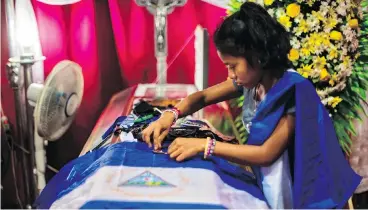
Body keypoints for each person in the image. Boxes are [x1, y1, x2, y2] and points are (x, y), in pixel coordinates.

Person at [142, 2, 361, 209]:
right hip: (268, 178)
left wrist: (204, 145)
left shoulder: (293, 90)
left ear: (257, 57)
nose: (230, 75)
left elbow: (267, 153)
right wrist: (170, 115)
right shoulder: (251, 81)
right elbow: (200, 98)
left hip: (294, 189)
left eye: (233, 66)